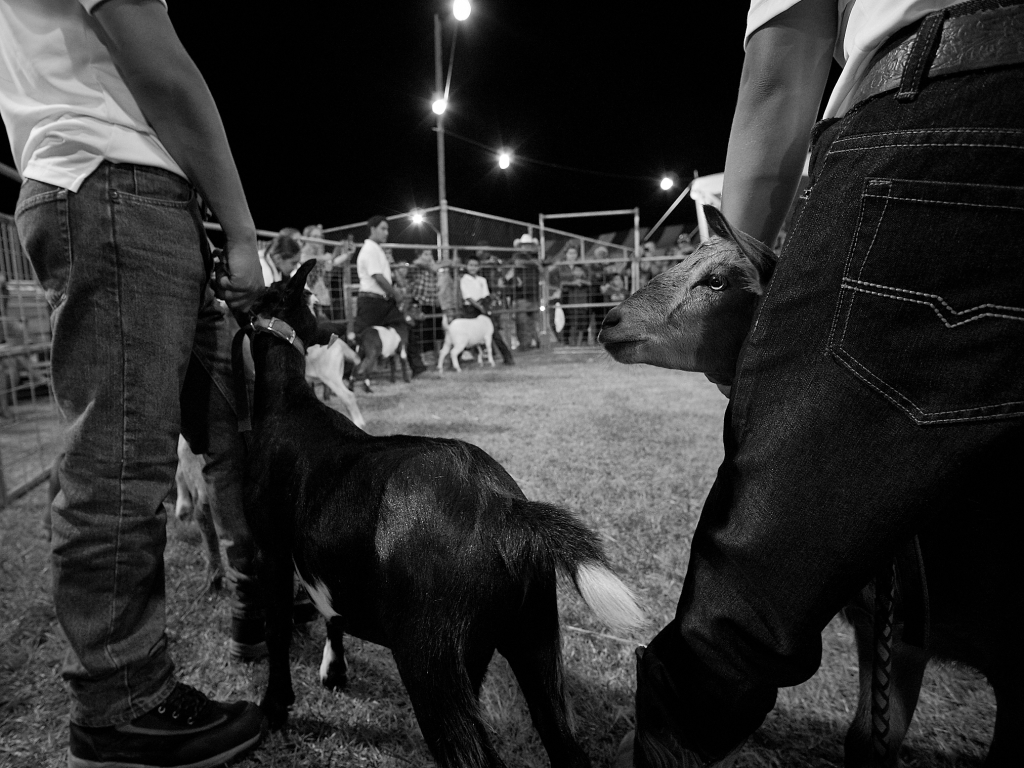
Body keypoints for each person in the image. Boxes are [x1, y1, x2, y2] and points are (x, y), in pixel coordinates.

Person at [621, 1, 1024, 766]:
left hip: (947, 108)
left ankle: (677, 732)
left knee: (763, 545)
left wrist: (739, 296)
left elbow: (781, 69)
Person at [0, 1, 267, 766]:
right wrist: (241, 226)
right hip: (112, 183)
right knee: (122, 462)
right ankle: (121, 706)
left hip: (126, 188)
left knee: (231, 425)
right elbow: (161, 68)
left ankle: (257, 600)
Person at [404, 249, 444, 365]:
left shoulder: (434, 268)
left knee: (436, 330)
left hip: (433, 301)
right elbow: (414, 267)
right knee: (423, 332)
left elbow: (445, 263)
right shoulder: (417, 267)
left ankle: (438, 356)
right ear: (420, 256)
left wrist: (434, 266)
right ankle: (426, 357)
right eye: (425, 254)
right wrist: (429, 266)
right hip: (421, 301)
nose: (429, 257)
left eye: (430, 254)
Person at [506, 234, 541, 350]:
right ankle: (524, 344)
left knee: (532, 322)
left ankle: (534, 342)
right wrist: (536, 263)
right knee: (522, 322)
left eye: (529, 245)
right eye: (525, 245)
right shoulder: (517, 257)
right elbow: (516, 263)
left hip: (533, 294)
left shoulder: (535, 258)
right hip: (521, 295)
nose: (527, 247)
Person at [559, 264, 592, 346]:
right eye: (576, 270)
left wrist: (581, 282)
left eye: (579, 270)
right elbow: (562, 284)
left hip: (583, 306)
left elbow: (590, 283)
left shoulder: (585, 281)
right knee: (572, 324)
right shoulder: (569, 280)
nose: (577, 272)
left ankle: (583, 342)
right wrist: (573, 283)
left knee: (583, 324)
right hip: (571, 306)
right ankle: (570, 342)